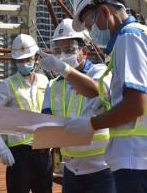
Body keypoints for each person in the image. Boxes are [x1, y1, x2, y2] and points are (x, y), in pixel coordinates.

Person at [40, 0, 147, 193]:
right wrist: (107, 103)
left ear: (104, 11)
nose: (90, 31)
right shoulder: (138, 36)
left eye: (89, 23)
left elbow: (135, 105)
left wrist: (91, 124)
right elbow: (128, 98)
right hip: (144, 160)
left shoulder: (129, 37)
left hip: (141, 161)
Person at [41, 18, 116, 193]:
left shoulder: (99, 72)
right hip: (70, 170)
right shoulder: (53, 85)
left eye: (69, 49)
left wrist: (64, 70)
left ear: (84, 51)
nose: (62, 55)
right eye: (57, 51)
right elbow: (47, 121)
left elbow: (98, 91)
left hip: (103, 169)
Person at [0, 34, 53, 193]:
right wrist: (1, 147)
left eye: (27, 59)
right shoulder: (7, 85)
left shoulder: (45, 81)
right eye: (20, 60)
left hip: (44, 153)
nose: (24, 63)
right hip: (20, 155)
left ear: (36, 57)